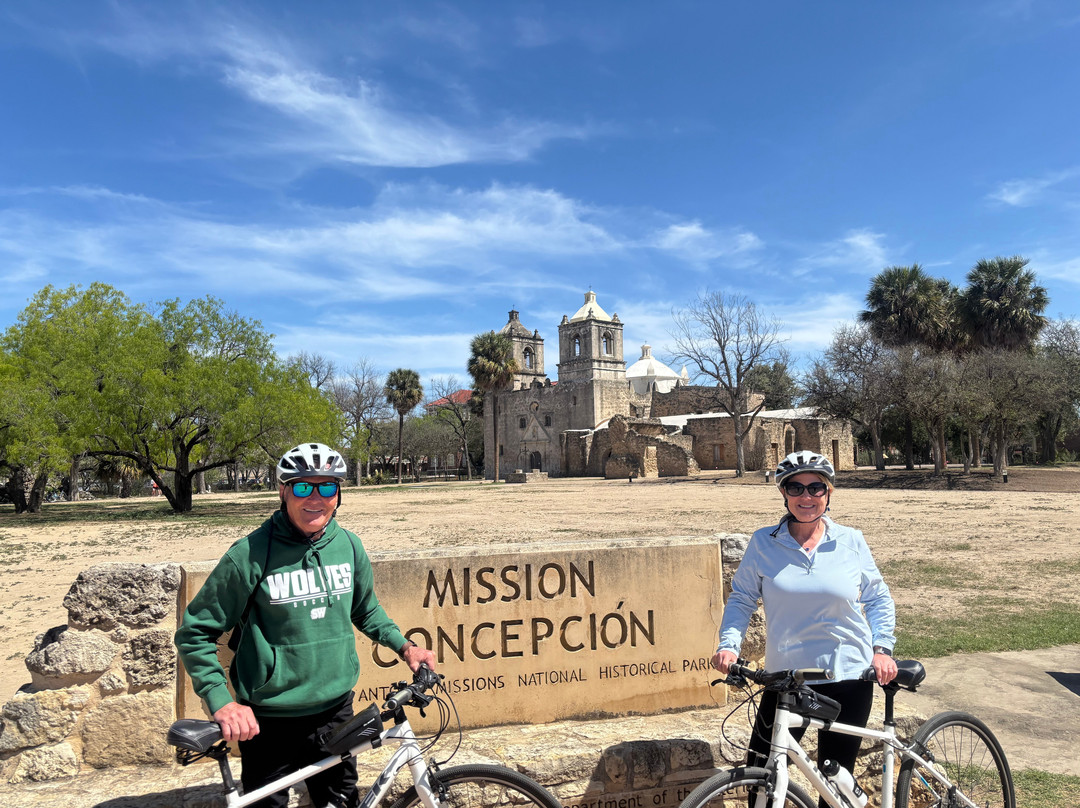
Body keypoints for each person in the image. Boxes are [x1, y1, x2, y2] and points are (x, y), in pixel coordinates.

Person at [175, 442, 436, 808]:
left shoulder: (348, 545)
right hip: (269, 721)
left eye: (327, 486)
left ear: (338, 494)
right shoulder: (249, 555)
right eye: (303, 486)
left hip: (337, 712)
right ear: (283, 491)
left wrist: (406, 647)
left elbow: (365, 610)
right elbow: (195, 633)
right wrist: (221, 702)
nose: (315, 497)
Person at [712, 450, 896, 803]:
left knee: (835, 782)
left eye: (816, 488)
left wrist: (882, 649)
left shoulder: (851, 540)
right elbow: (741, 598)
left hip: (848, 677)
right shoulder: (764, 542)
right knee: (761, 779)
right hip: (787, 680)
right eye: (795, 488)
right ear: (783, 494)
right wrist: (729, 644)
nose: (806, 497)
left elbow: (877, 598)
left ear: (829, 494)